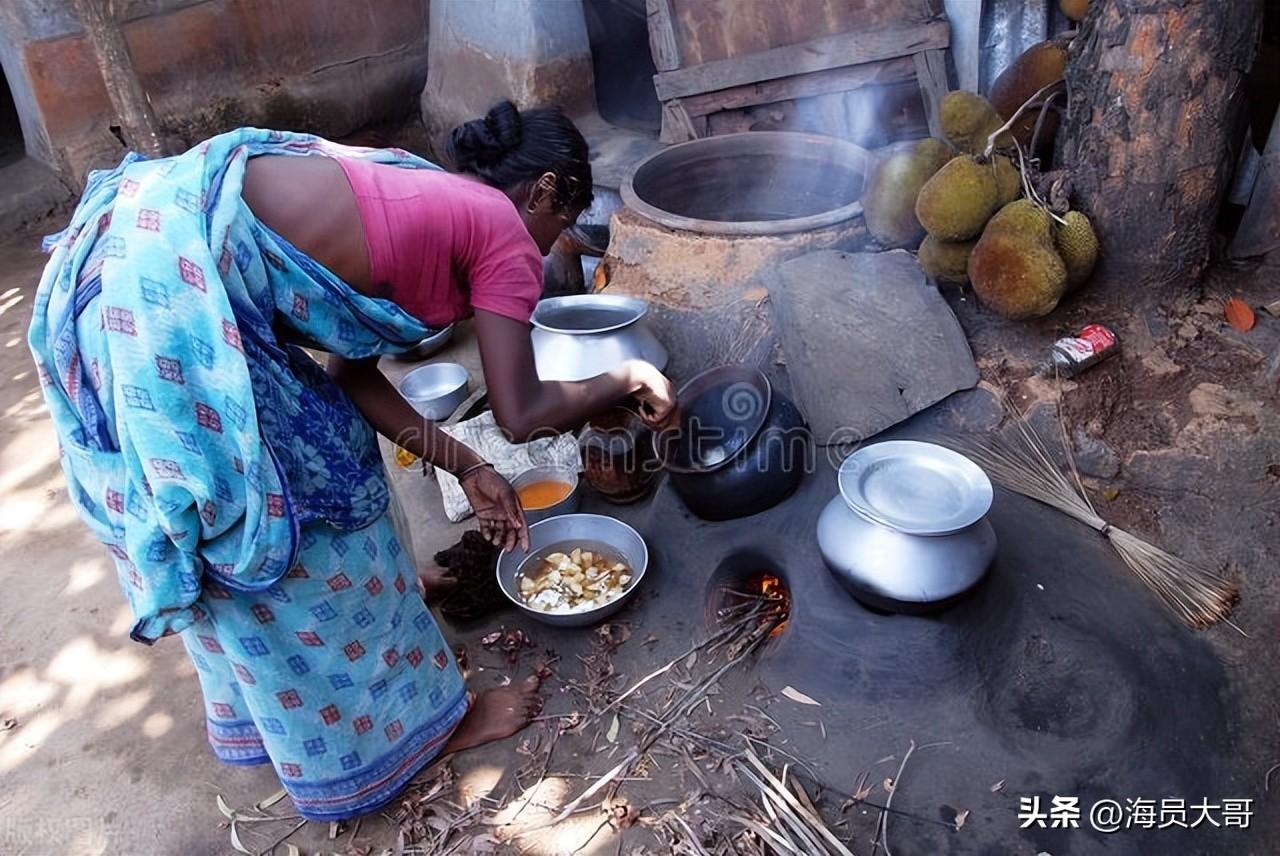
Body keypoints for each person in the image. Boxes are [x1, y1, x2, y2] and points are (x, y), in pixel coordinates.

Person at [27, 101, 675, 822]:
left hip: (132, 270)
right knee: (313, 522)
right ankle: (417, 732)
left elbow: (350, 377)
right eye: (562, 224)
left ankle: (341, 640)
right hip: (171, 312)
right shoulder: (501, 229)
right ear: (546, 190)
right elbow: (520, 415)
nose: (552, 247)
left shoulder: (423, 188)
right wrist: (629, 378)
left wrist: (466, 466)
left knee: (331, 460)